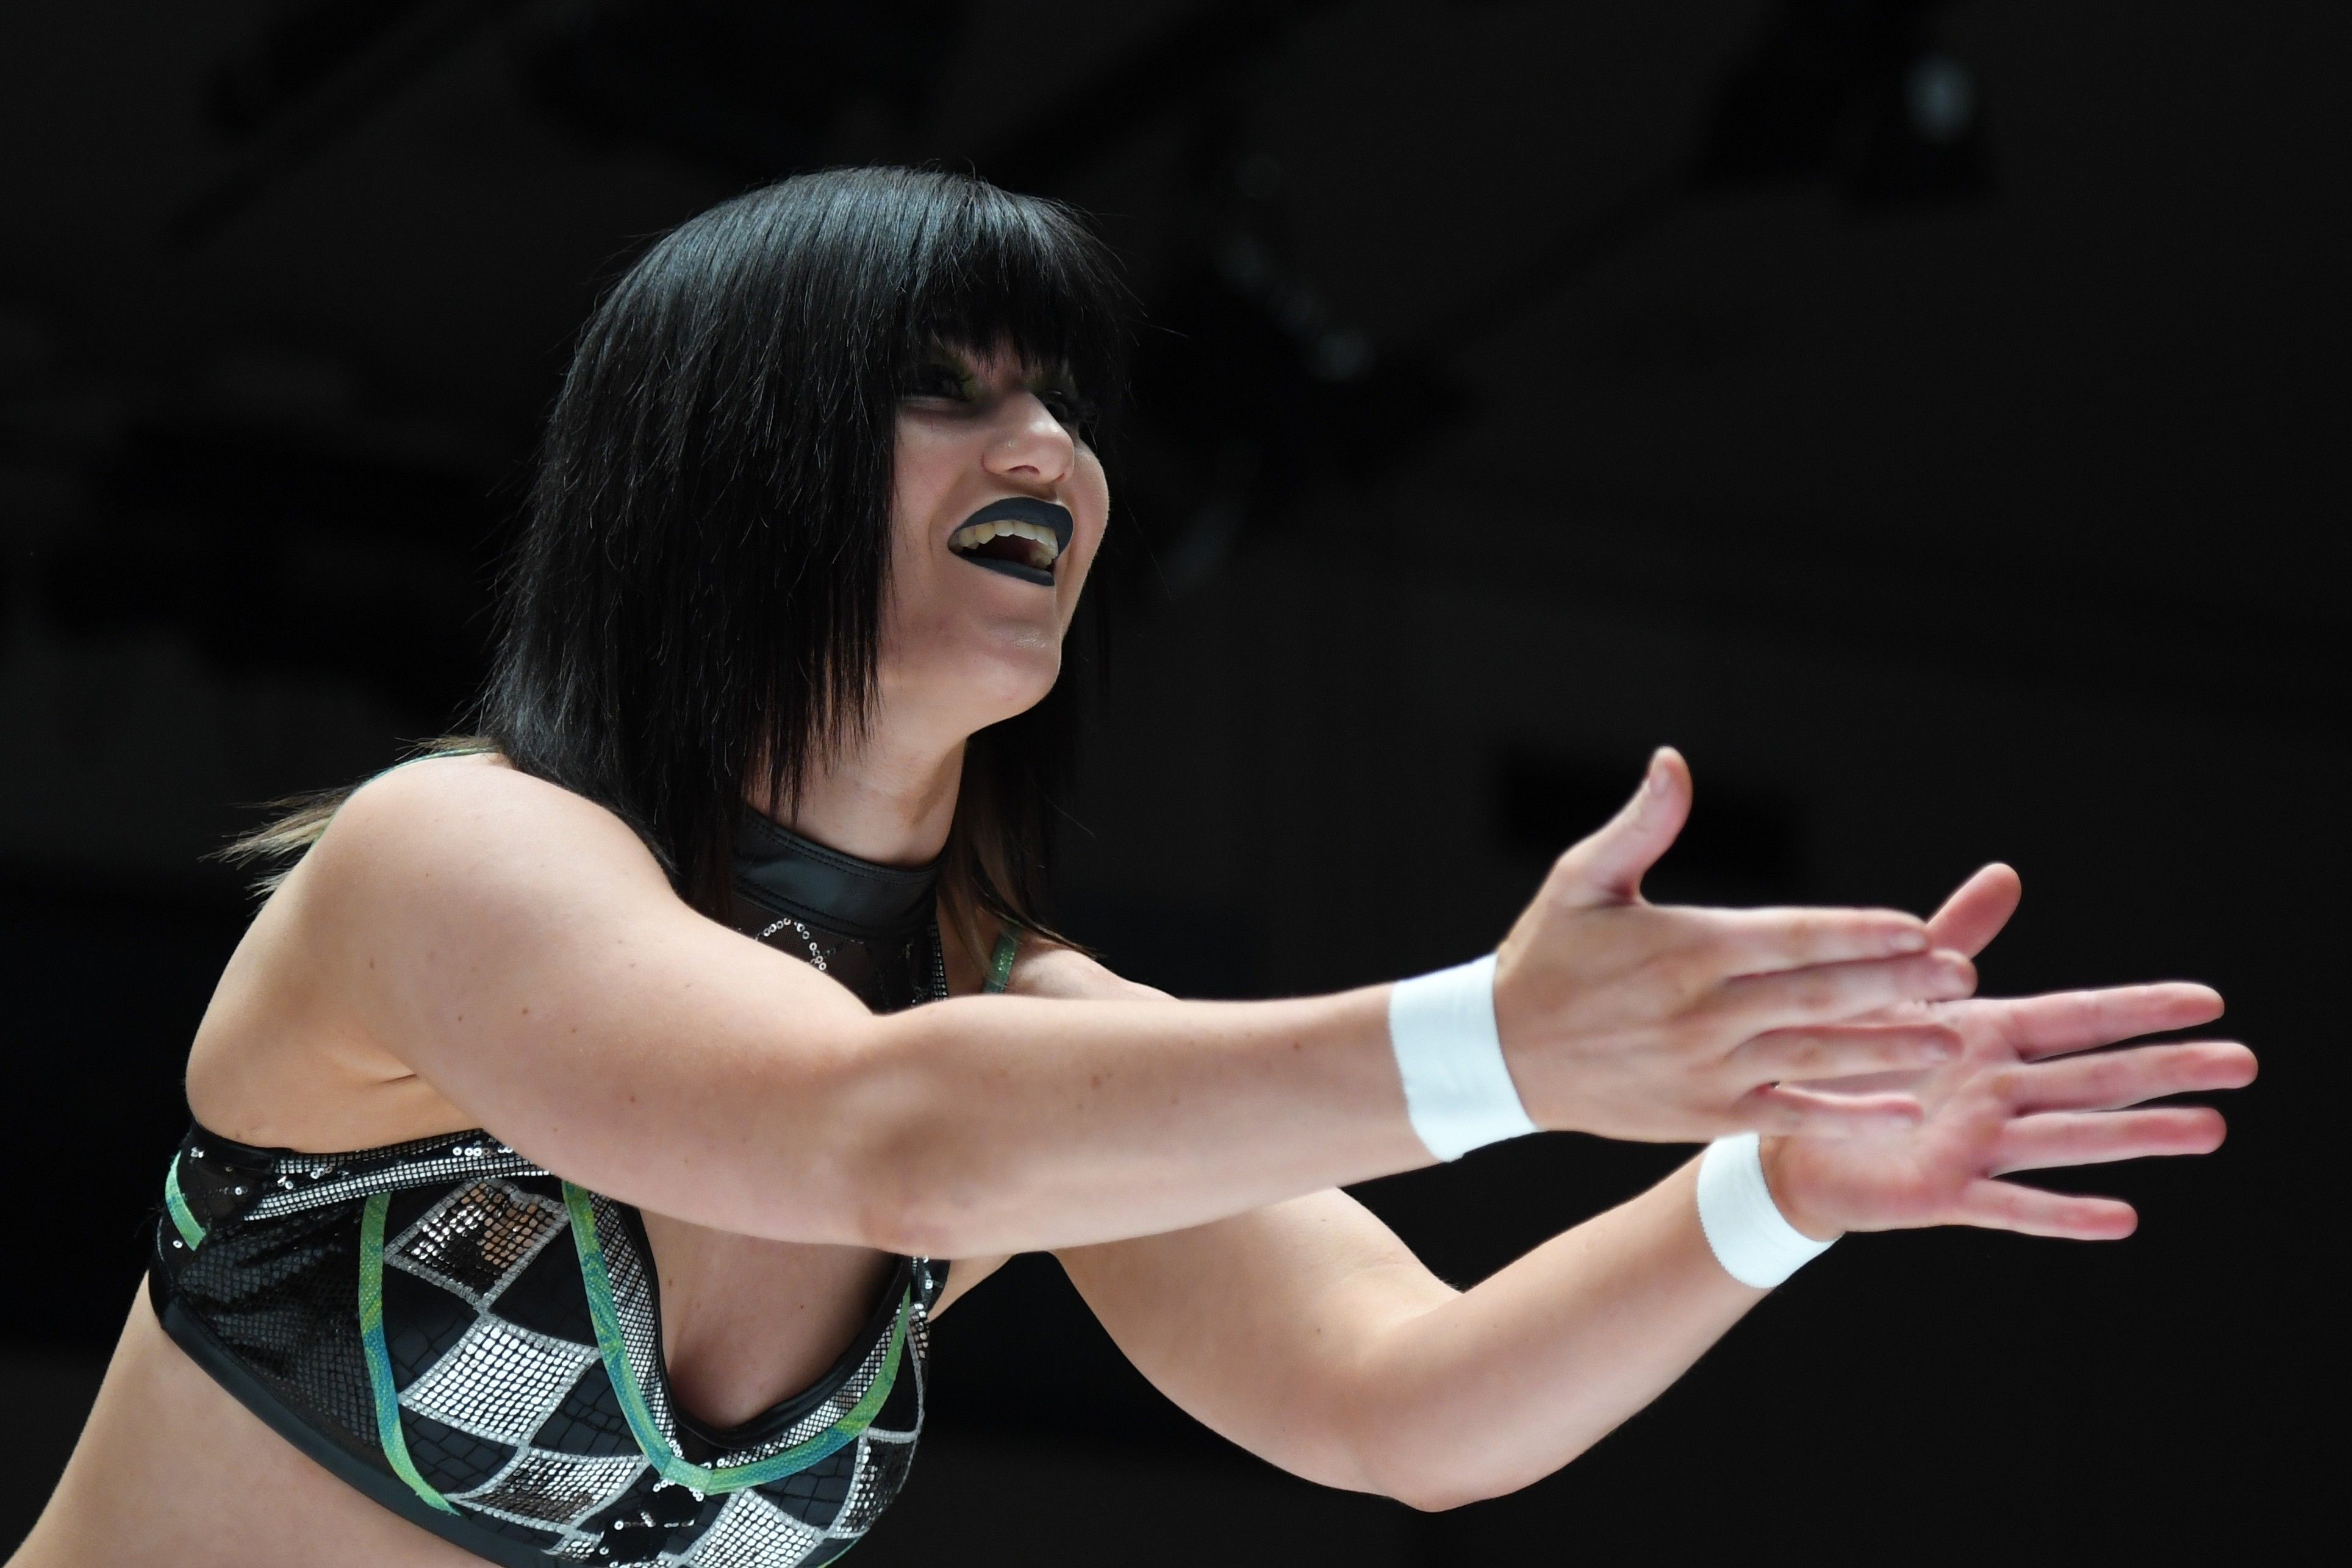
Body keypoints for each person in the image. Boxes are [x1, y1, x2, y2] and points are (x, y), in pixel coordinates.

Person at [9, 168, 2255, 1568]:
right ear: (719, 474)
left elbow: (1410, 1401)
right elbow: (878, 1133)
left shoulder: (1023, 1023)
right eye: (944, 385)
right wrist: (1501, 1045)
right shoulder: (451, 859)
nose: (1053, 447)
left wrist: (1774, 1193)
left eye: (1065, 400)